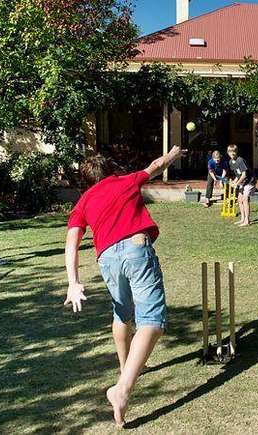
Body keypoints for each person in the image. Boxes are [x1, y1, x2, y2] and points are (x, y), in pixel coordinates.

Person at [64, 146, 183, 426]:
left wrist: (73, 281)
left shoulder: (83, 201)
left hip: (107, 258)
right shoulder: (124, 181)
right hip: (135, 249)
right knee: (152, 321)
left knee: (121, 314)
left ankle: (125, 368)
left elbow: (72, 240)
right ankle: (123, 389)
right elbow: (155, 165)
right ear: (110, 171)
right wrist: (173, 154)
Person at [227, 144, 256, 226]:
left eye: (234, 152)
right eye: (230, 152)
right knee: (239, 199)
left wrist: (236, 183)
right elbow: (238, 175)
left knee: (245, 199)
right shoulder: (230, 162)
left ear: (236, 152)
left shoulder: (240, 160)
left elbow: (244, 175)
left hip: (250, 181)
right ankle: (242, 219)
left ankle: (247, 220)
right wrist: (234, 181)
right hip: (243, 182)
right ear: (228, 152)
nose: (232, 154)